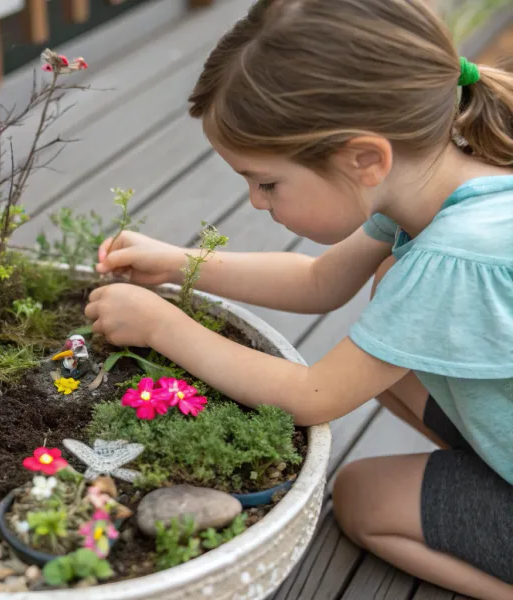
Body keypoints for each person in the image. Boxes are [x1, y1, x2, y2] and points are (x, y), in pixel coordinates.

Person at [83, 1, 513, 598]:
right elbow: (318, 284)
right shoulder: (450, 179)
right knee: (385, 319)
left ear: (365, 158)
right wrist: (181, 264)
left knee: (360, 497)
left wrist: (160, 326)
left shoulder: (456, 257)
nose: (257, 202)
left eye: (267, 183)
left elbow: (313, 397)